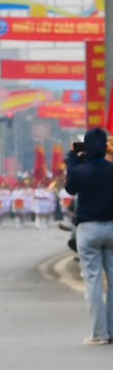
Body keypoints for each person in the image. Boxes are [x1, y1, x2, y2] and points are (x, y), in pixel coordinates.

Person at [66, 130, 113, 345]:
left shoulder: (80, 171)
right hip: (112, 228)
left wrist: (73, 161)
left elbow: (70, 188)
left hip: (88, 229)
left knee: (93, 281)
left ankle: (100, 334)